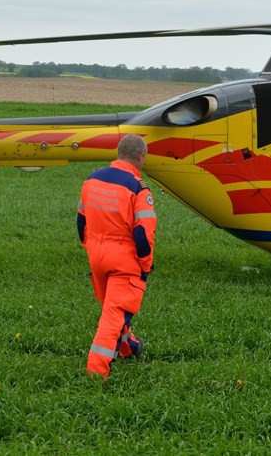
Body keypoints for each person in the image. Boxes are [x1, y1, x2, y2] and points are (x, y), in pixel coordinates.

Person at [77, 133, 157, 378]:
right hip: (124, 262)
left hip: (97, 257)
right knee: (113, 316)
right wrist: (145, 266)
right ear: (140, 157)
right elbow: (143, 235)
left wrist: (92, 247)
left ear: (118, 153)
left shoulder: (92, 180)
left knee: (112, 308)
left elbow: (81, 222)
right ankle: (96, 372)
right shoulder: (138, 189)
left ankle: (129, 347)